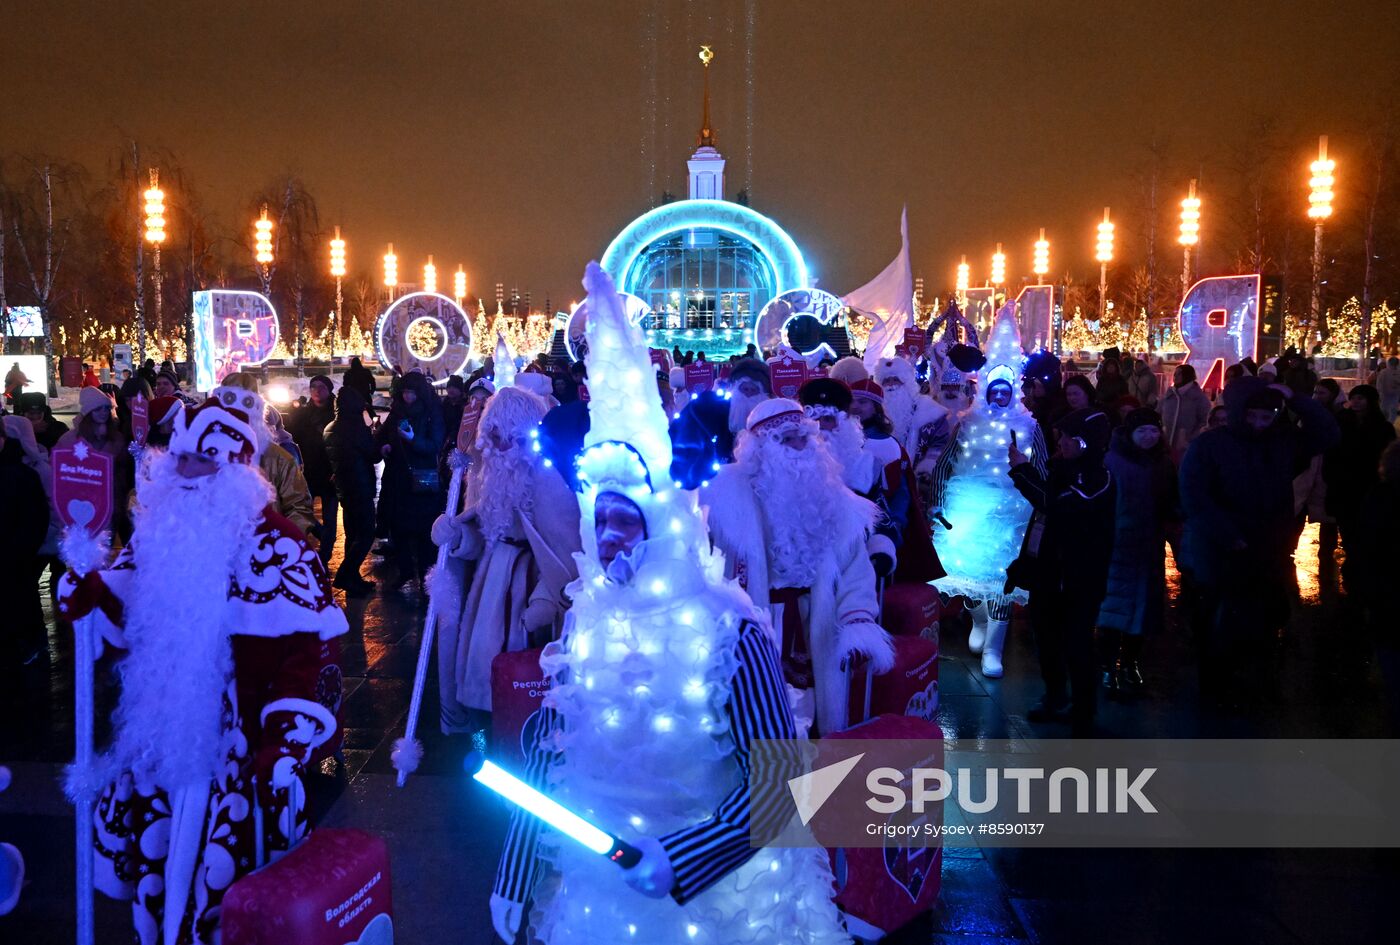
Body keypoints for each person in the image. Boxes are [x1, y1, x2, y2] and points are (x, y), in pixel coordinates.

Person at [491, 263, 848, 944]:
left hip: (722, 909)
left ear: (664, 522)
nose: (610, 536)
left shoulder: (726, 632)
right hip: (603, 904)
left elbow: (780, 784)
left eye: (627, 518)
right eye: (600, 519)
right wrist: (514, 872)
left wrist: (682, 857)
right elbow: (551, 745)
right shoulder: (587, 617)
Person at [56, 396, 347, 945]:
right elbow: (133, 621)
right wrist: (92, 594)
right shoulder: (156, 532)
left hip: (239, 746)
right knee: (162, 863)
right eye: (179, 458)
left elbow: (301, 652)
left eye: (199, 462)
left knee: (232, 883)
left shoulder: (282, 545)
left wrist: (283, 740)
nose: (182, 471)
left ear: (235, 471)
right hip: (163, 731)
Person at [703, 398, 894, 734]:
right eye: (785, 440)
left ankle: (813, 777)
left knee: (813, 711)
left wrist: (857, 620)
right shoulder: (724, 501)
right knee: (759, 713)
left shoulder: (838, 501)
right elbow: (708, 564)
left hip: (814, 622)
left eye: (802, 438)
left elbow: (855, 571)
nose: (796, 447)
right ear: (760, 448)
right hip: (754, 621)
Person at [430, 387, 581, 737]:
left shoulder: (546, 479)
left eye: (503, 436)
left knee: (528, 671)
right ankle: (492, 723)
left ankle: (527, 734)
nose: (496, 445)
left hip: (531, 581)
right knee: (486, 662)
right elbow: (481, 537)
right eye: (492, 434)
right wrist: (457, 538)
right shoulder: (486, 475)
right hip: (491, 581)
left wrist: (546, 598)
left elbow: (564, 548)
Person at [1179, 376, 1340, 700]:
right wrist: (1228, 535)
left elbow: (1328, 433)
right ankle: (1215, 685)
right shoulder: (1209, 445)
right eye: (1252, 416)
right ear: (1239, 411)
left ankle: (1252, 680)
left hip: (1267, 545)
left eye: (1266, 417)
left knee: (1260, 617)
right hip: (1221, 550)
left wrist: (1295, 398)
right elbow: (1195, 497)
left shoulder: (1281, 441)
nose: (1258, 424)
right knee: (1218, 618)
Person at [928, 309, 1047, 678]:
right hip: (968, 510)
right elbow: (945, 464)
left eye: (1004, 391)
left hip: (1011, 513)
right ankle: (978, 621)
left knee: (1002, 582)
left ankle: (993, 649)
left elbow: (1042, 468)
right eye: (993, 390)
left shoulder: (1029, 427)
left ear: (1012, 394)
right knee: (966, 578)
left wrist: (1040, 506)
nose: (998, 396)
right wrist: (938, 501)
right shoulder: (966, 423)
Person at [1008, 406, 1117, 734]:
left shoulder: (1097, 478)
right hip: (1048, 573)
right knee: (1047, 638)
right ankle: (1055, 696)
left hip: (1077, 578)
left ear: (1084, 442)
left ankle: (1083, 708)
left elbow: (1054, 506)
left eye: (1068, 437)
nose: (1063, 442)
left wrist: (1023, 471)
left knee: (1077, 642)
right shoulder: (1063, 468)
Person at [1097, 408, 1177, 697]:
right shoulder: (1113, 462)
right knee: (1113, 607)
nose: (1149, 436)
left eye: (1154, 431)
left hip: (1148, 545)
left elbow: (1169, 501)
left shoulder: (1163, 464)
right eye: (1142, 431)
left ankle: (1130, 662)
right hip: (1117, 543)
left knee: (1142, 609)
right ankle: (1107, 665)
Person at [214, 375, 317, 542]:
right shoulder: (199, 458)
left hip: (263, 551)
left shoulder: (278, 459)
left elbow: (299, 507)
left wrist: (278, 544)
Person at [1324, 384, 1397, 590]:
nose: (1356, 402)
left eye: (1361, 398)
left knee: (1364, 526)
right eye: (1354, 398)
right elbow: (1332, 451)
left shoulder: (1381, 426)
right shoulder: (1342, 421)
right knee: (1347, 527)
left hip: (1368, 484)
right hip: (1344, 484)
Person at [378, 371, 446, 587]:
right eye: (405, 392)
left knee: (424, 533)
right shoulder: (396, 411)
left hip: (421, 479)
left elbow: (434, 445)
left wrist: (413, 439)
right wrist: (386, 445)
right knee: (399, 528)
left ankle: (426, 579)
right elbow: (384, 434)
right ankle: (405, 570)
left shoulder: (431, 412)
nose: (407, 397)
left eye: (412, 393)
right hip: (398, 479)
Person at [0, 419, 50, 670]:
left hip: (15, 559)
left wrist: (16, 553)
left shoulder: (23, 474)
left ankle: (31, 646)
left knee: (21, 602)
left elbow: (36, 519)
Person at [873, 355, 952, 506]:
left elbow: (940, 443)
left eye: (896, 380)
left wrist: (927, 469)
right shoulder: (875, 414)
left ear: (907, 383)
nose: (891, 385)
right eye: (886, 381)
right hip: (882, 486)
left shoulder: (930, 412)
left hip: (919, 486)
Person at [323, 384, 379, 595]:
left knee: (352, 534)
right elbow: (374, 455)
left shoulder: (330, 428)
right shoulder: (357, 428)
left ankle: (353, 579)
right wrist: (375, 435)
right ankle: (345, 574)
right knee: (366, 534)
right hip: (361, 486)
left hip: (344, 488)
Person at [57, 386, 134, 540]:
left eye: (106, 408)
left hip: (110, 503)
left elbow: (123, 468)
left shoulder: (116, 438)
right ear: (87, 412)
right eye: (98, 409)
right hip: (80, 503)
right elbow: (60, 472)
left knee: (106, 546)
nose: (104, 413)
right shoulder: (70, 439)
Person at [287, 374, 337, 561]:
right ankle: (322, 538)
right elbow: (292, 438)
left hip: (330, 472)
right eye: (313, 386)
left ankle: (325, 553)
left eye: (321, 386)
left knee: (330, 515)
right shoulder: (303, 414)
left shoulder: (336, 412)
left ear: (329, 389)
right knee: (304, 512)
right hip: (308, 471)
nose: (317, 390)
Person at [1160, 364, 1211, 462]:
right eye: (1175, 374)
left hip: (1185, 447)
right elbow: (1158, 413)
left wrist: (1188, 439)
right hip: (1165, 444)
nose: (1175, 376)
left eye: (1179, 374)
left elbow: (1204, 421)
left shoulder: (1198, 397)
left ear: (1187, 375)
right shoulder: (1169, 394)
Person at [1376, 356, 1400, 423]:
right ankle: (1386, 423)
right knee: (1387, 410)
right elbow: (1379, 384)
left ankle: (1388, 424)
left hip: (1393, 395)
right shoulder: (1383, 372)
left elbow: (1379, 384)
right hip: (1386, 394)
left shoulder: (1384, 372)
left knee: (1390, 410)